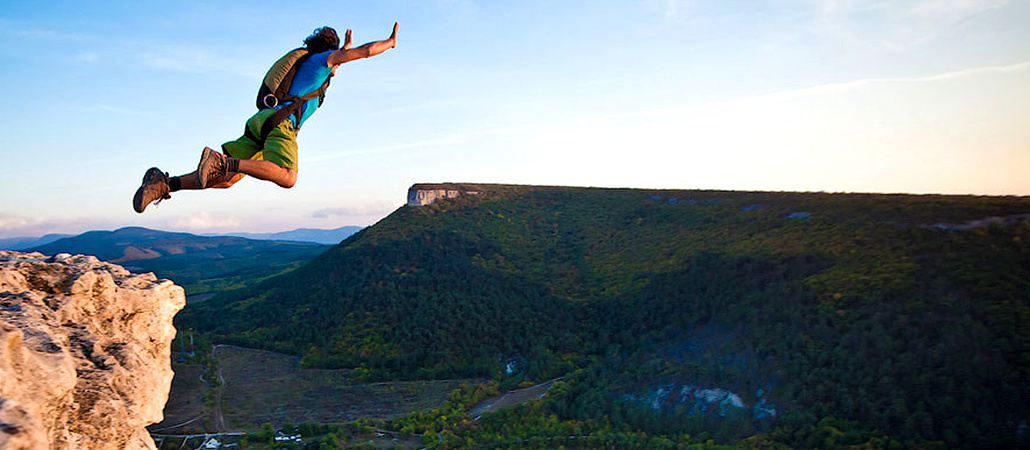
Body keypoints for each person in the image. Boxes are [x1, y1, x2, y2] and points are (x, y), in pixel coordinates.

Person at [133, 23, 398, 213]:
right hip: (280, 124)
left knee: (227, 180)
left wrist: (344, 48)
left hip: (261, 121)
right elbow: (364, 52)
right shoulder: (322, 62)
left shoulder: (310, 66)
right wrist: (389, 43)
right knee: (287, 176)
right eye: (338, 56)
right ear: (332, 53)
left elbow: (335, 69)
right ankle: (221, 161)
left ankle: (165, 184)